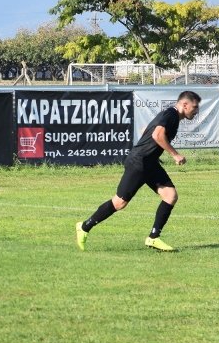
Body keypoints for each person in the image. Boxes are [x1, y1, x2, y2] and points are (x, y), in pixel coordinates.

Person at [75, 90, 201, 252]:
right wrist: (174, 155)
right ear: (185, 104)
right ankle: (84, 226)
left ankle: (154, 238)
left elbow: (148, 131)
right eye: (195, 107)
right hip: (139, 163)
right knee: (119, 202)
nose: (196, 111)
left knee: (170, 195)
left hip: (150, 163)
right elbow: (157, 134)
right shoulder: (171, 113)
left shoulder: (173, 116)